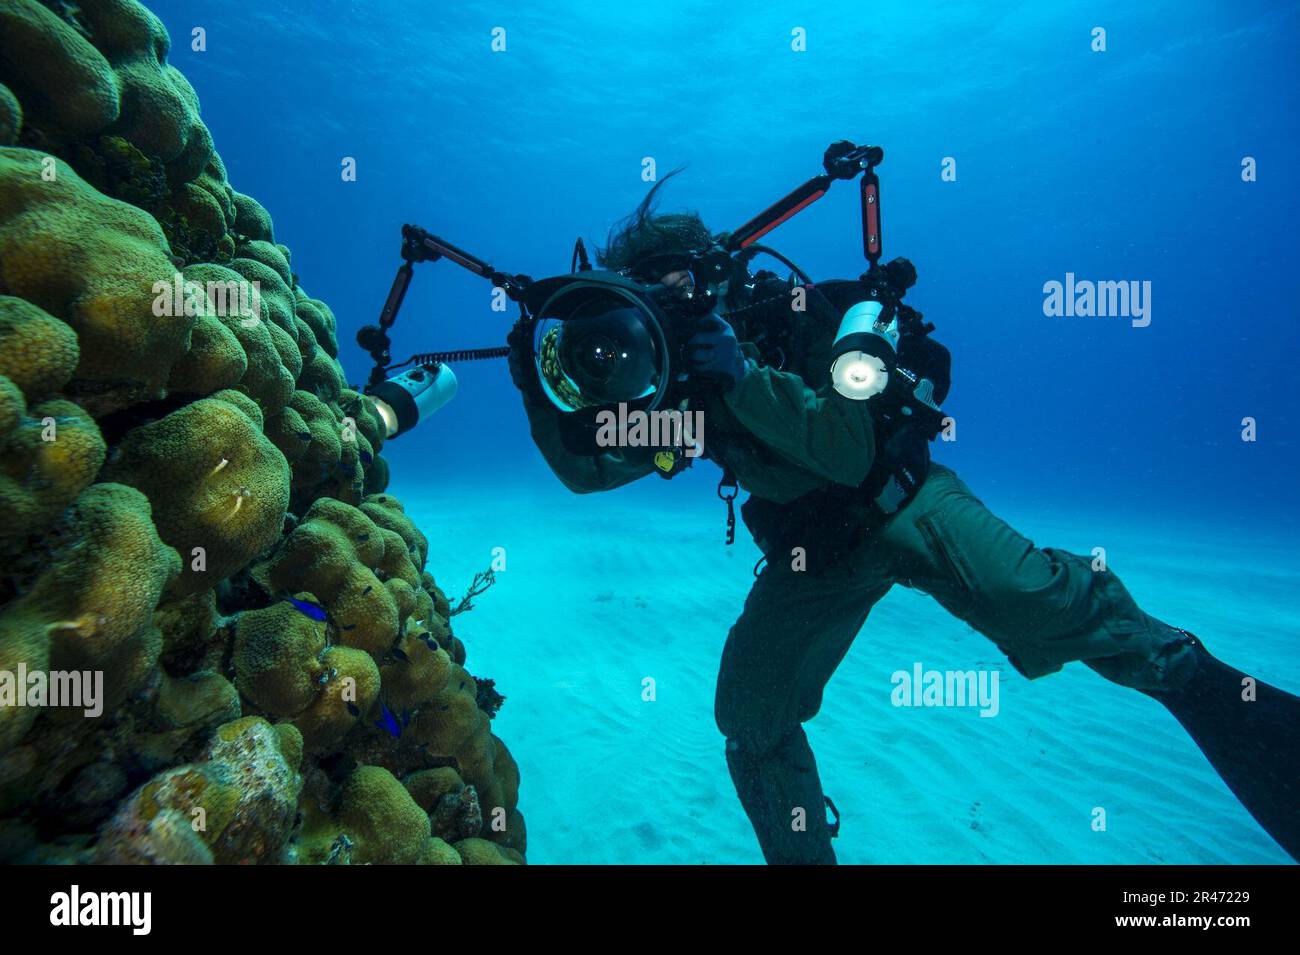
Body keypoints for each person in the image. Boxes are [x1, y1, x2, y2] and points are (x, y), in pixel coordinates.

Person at [506, 175, 1299, 864]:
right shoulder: (685, 397)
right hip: (814, 552)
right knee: (751, 714)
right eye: (647, 295)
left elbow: (850, 453)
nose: (667, 311)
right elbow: (591, 471)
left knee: (1041, 603)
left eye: (674, 283)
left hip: (904, 498)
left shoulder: (803, 316)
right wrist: (531, 389)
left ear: (713, 272)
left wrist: (744, 378)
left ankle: (1197, 682)